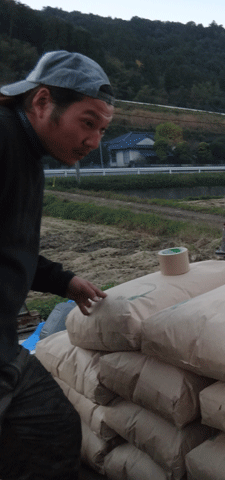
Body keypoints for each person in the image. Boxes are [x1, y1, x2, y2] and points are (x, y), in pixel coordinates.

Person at [0, 50, 114, 479]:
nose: (94, 142)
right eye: (88, 123)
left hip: (6, 346)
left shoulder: (26, 153)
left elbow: (10, 247)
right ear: (42, 101)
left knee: (51, 428)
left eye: (103, 130)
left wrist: (63, 280)